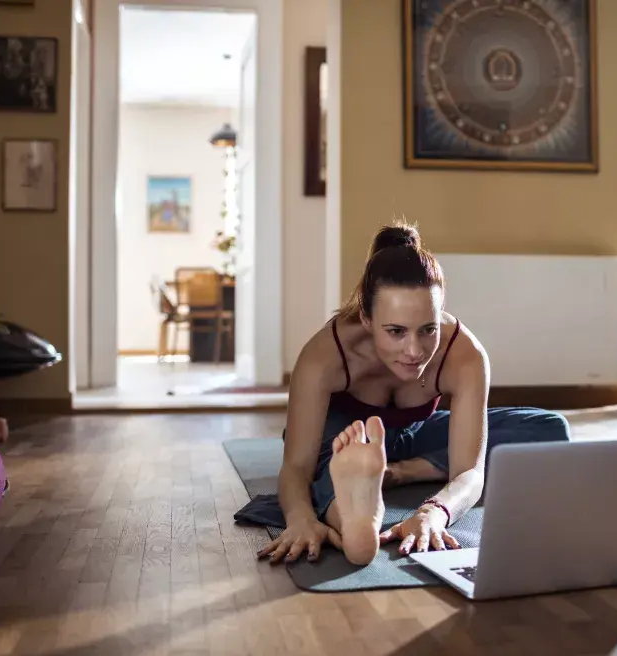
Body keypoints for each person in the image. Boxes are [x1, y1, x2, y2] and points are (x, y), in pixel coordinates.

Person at [233, 221, 571, 566]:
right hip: (344, 438)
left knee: (547, 426)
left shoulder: (465, 354)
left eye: (428, 329)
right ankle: (355, 517)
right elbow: (295, 468)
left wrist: (435, 511)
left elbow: (469, 472)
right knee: (324, 466)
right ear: (366, 318)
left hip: (410, 435)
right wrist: (301, 519)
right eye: (396, 331)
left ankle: (400, 472)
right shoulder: (325, 354)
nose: (415, 350)